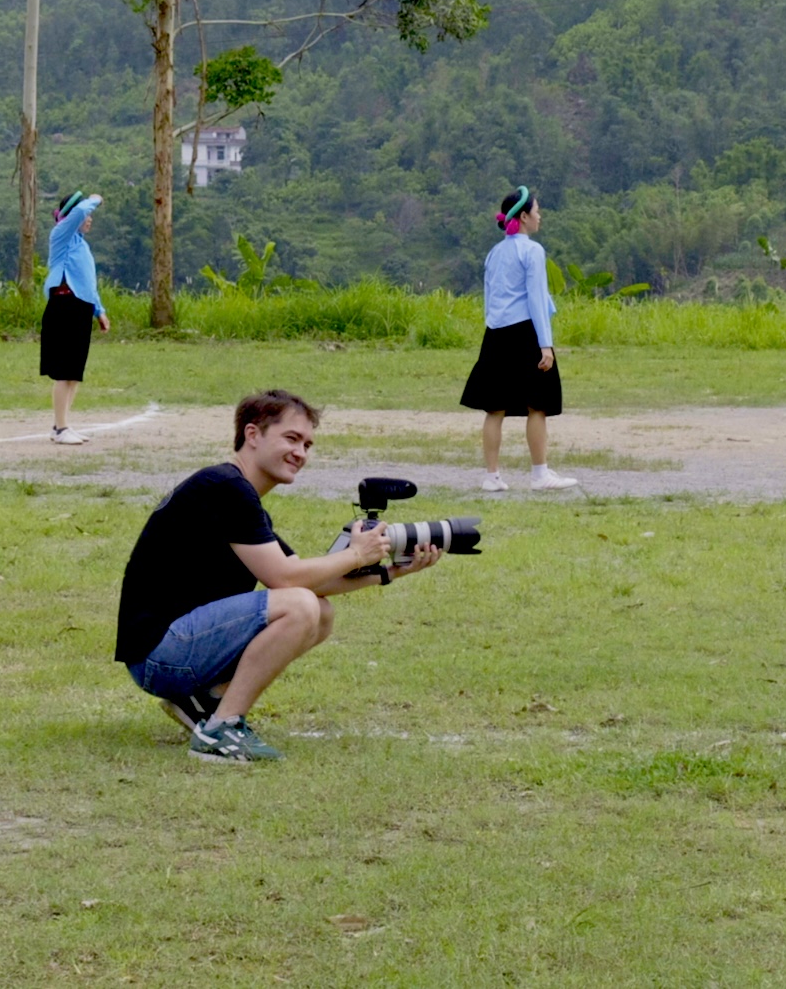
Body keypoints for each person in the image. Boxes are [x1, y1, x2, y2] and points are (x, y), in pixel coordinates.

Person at [113, 390, 443, 763]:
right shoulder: (226, 488)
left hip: (172, 651)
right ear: (252, 435)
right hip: (161, 654)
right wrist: (355, 553)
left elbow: (307, 581)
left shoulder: (236, 495)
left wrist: (389, 573)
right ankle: (221, 728)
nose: (301, 452)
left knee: (320, 611)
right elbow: (287, 580)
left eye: (307, 444)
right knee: (300, 606)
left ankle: (205, 702)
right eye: (291, 438)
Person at [461, 187, 577, 491]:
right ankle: (540, 474)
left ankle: (491, 476)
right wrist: (545, 344)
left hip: (495, 332)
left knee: (494, 408)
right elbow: (537, 299)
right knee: (537, 405)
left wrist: (493, 327)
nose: (540, 216)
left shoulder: (494, 253)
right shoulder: (532, 251)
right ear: (523, 217)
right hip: (525, 332)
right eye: (536, 211)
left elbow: (489, 298)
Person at [40, 191, 111, 445]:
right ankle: (61, 429)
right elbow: (78, 212)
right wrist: (95, 199)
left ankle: (63, 424)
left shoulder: (82, 244)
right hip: (63, 305)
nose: (89, 219)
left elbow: (88, 282)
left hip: (80, 306)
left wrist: (99, 311)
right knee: (63, 370)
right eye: (87, 214)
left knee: (74, 372)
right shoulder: (62, 234)